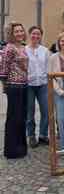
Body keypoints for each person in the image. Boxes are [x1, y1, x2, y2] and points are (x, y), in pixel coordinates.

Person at [0, 22, 28, 159]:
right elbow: (3, 70)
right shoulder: (9, 48)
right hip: (13, 87)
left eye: (21, 31)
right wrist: (5, 86)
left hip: (24, 86)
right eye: (16, 31)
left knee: (22, 118)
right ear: (11, 33)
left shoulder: (23, 47)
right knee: (14, 118)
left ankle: (21, 147)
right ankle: (11, 150)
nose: (19, 33)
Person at [25, 26, 50, 148]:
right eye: (33, 34)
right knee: (30, 112)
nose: (35, 36)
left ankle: (43, 135)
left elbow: (48, 67)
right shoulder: (24, 50)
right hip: (29, 85)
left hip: (43, 84)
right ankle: (31, 136)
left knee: (46, 111)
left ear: (41, 36)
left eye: (38, 34)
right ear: (29, 35)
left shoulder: (45, 51)